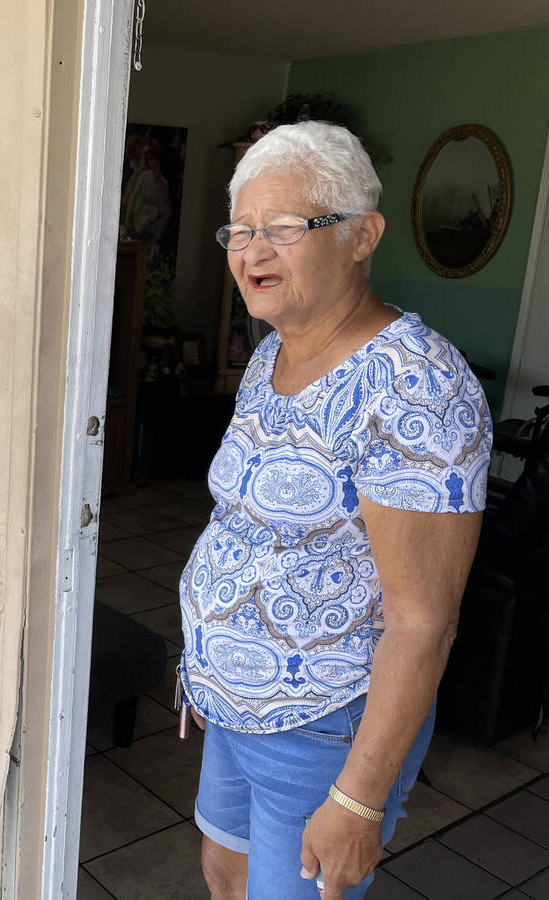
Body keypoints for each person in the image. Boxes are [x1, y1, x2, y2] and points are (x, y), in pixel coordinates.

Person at [179, 121, 491, 900]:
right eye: (241, 230)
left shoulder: (414, 384)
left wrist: (358, 802)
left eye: (282, 228)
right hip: (235, 712)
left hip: (322, 730)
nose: (252, 252)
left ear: (362, 236)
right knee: (225, 875)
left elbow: (424, 620)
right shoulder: (268, 355)